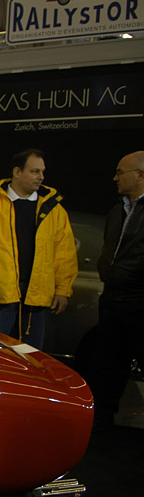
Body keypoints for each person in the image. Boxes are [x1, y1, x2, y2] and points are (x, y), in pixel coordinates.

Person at [0, 149, 77, 350]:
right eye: (34, 171)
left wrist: (62, 290)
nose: (41, 177)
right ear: (17, 172)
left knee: (31, 357)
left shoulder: (54, 210)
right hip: (2, 297)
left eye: (42, 171)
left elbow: (64, 254)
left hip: (37, 298)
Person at [88, 150, 144, 429]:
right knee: (108, 362)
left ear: (140, 175)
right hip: (112, 299)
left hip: (139, 300)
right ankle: (103, 421)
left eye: (120, 172)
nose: (115, 177)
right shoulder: (116, 210)